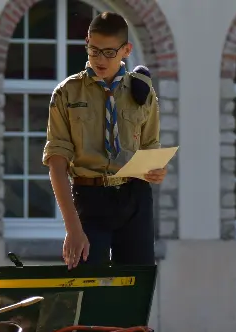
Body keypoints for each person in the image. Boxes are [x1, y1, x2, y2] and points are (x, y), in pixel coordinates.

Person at [43, 11, 168, 269]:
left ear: (126, 50)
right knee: (88, 290)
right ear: (87, 42)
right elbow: (56, 164)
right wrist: (73, 229)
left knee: (136, 287)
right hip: (90, 198)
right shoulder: (67, 93)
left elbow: (150, 147)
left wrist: (156, 171)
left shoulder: (143, 92)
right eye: (94, 50)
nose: (100, 59)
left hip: (135, 197)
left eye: (109, 52)